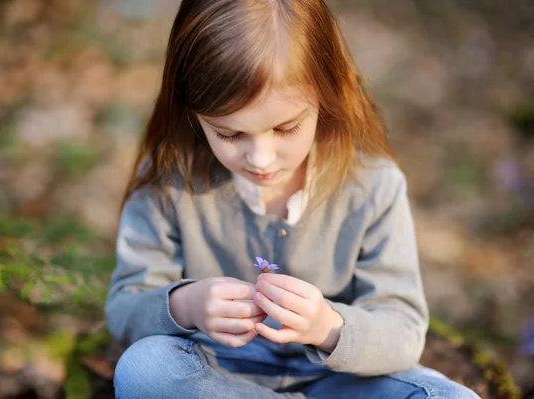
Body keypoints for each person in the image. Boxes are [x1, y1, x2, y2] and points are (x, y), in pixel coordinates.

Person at [105, 0, 481, 398]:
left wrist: (326, 326)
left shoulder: (373, 187)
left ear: (326, 94)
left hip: (338, 379)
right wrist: (185, 305)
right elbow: (125, 309)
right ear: (192, 112)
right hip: (217, 370)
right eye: (230, 135)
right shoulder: (171, 179)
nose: (260, 158)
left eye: (285, 128)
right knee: (144, 370)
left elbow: (403, 330)